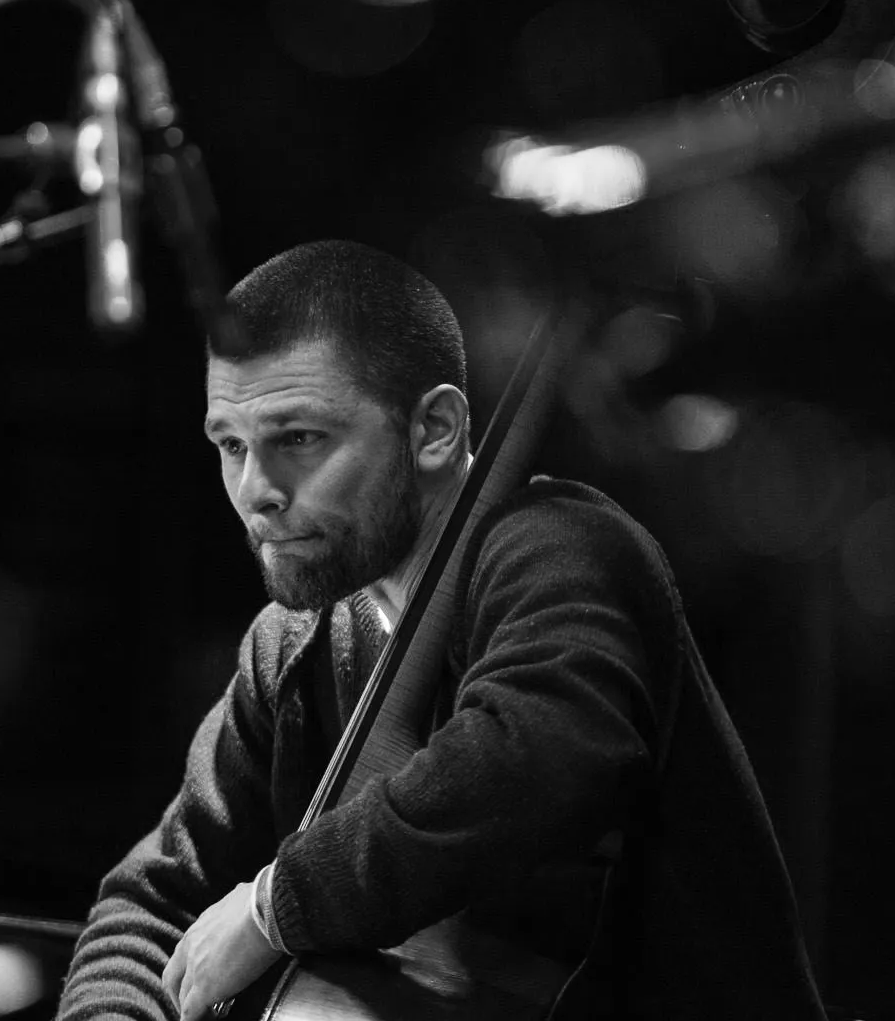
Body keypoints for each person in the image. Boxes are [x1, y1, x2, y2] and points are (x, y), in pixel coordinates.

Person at [55, 240, 827, 1020]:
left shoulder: (563, 552)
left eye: (299, 439)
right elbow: (153, 899)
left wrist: (273, 908)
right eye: (230, 445)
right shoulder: (289, 642)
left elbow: (531, 756)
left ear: (434, 428)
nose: (257, 492)